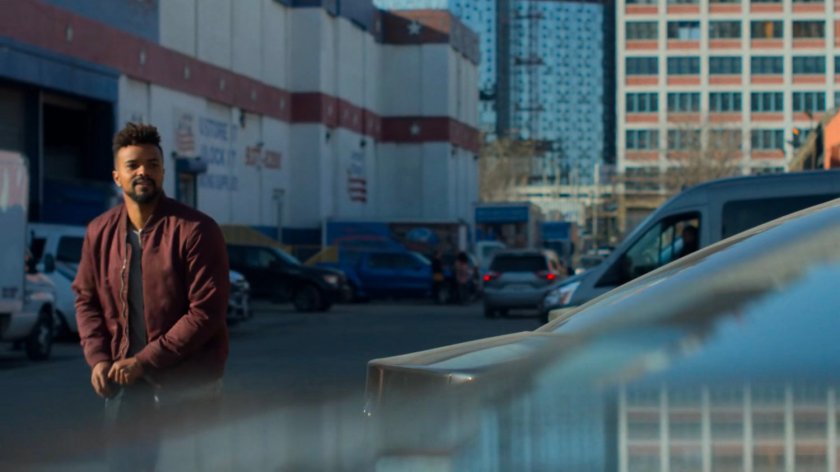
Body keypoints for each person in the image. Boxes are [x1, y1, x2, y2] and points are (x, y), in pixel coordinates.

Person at [73, 122, 230, 471]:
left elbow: (206, 312)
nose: (144, 171)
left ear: (162, 171)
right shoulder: (98, 232)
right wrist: (98, 359)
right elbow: (86, 300)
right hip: (124, 389)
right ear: (117, 177)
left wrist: (144, 361)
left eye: (153, 164)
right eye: (133, 165)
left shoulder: (197, 230)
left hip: (188, 388)